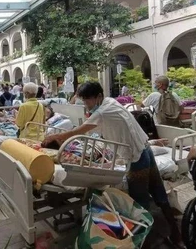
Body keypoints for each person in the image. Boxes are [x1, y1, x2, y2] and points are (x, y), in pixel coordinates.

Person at [42, 81, 184, 248]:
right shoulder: (111, 102)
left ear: (98, 97)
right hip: (144, 149)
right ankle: (176, 234)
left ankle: (143, 242)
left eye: (87, 100)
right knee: (158, 191)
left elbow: (78, 131)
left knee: (139, 201)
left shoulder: (102, 112)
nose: (85, 104)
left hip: (135, 158)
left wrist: (54, 137)